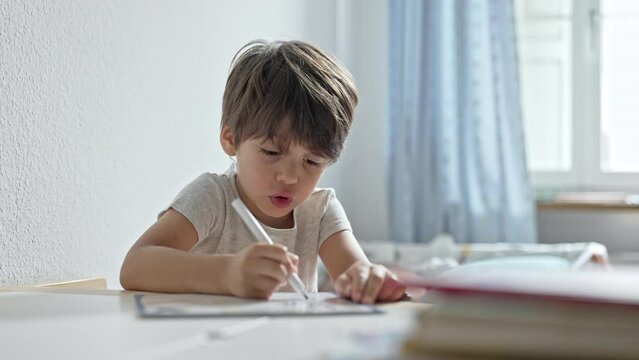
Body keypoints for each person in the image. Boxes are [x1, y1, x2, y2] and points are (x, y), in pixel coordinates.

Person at [120, 39, 406, 304]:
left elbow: (358, 271)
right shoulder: (213, 197)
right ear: (231, 140)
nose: (290, 177)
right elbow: (135, 266)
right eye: (271, 152)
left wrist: (369, 281)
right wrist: (228, 273)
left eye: (312, 162)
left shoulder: (319, 210)